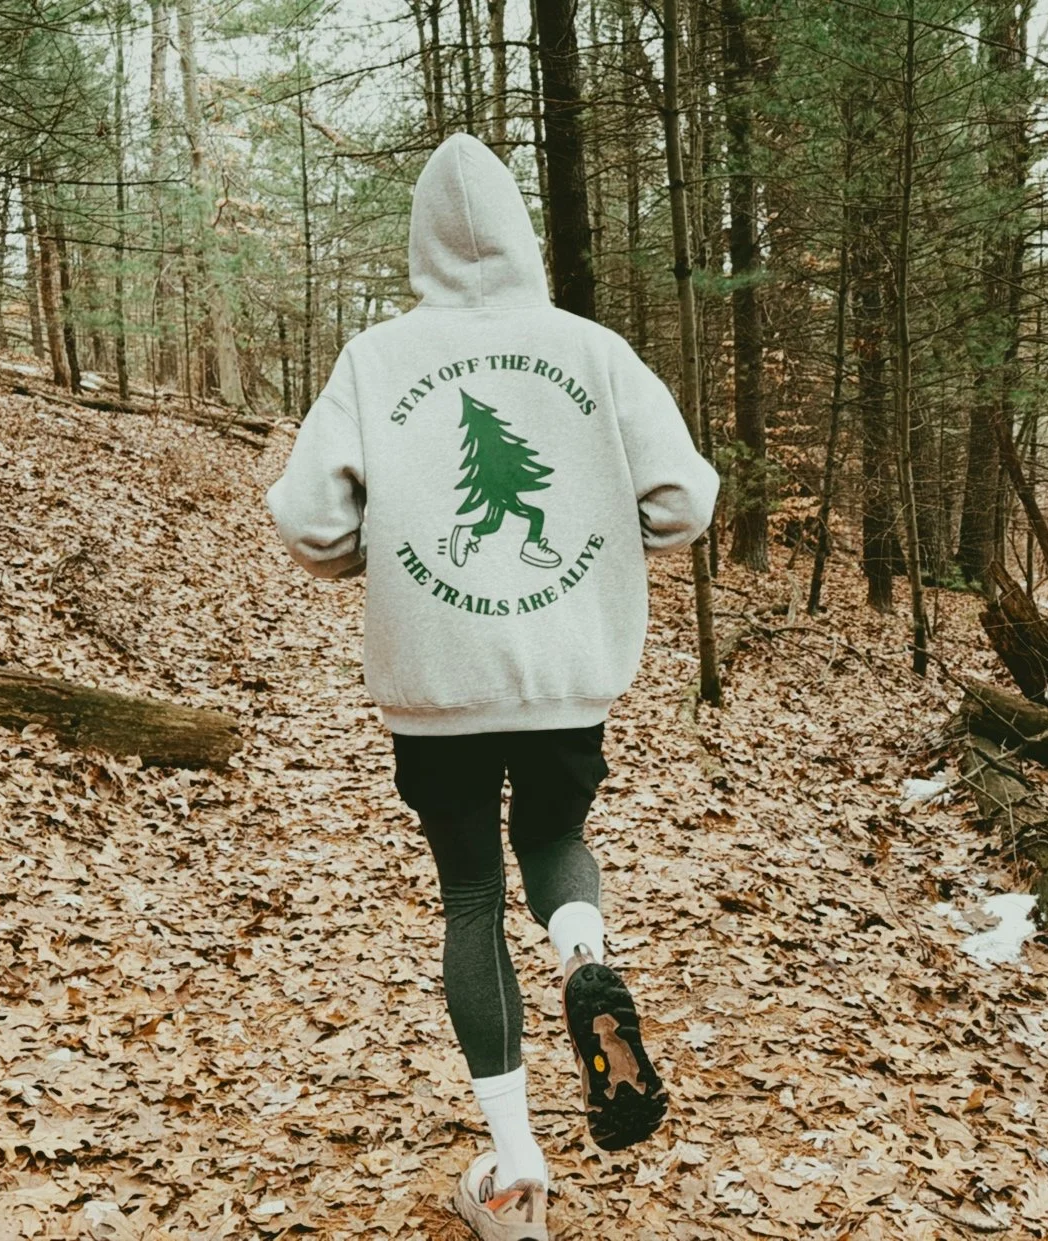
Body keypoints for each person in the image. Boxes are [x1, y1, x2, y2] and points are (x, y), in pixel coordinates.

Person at [267, 132, 718, 1241]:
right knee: (556, 831)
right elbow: (685, 500)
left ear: (420, 242)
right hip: (564, 676)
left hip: (436, 685)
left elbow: (312, 522)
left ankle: (516, 1174)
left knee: (469, 895)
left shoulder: (375, 358)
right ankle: (582, 954)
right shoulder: (591, 350)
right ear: (520, 235)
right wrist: (610, 540)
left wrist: (376, 547)